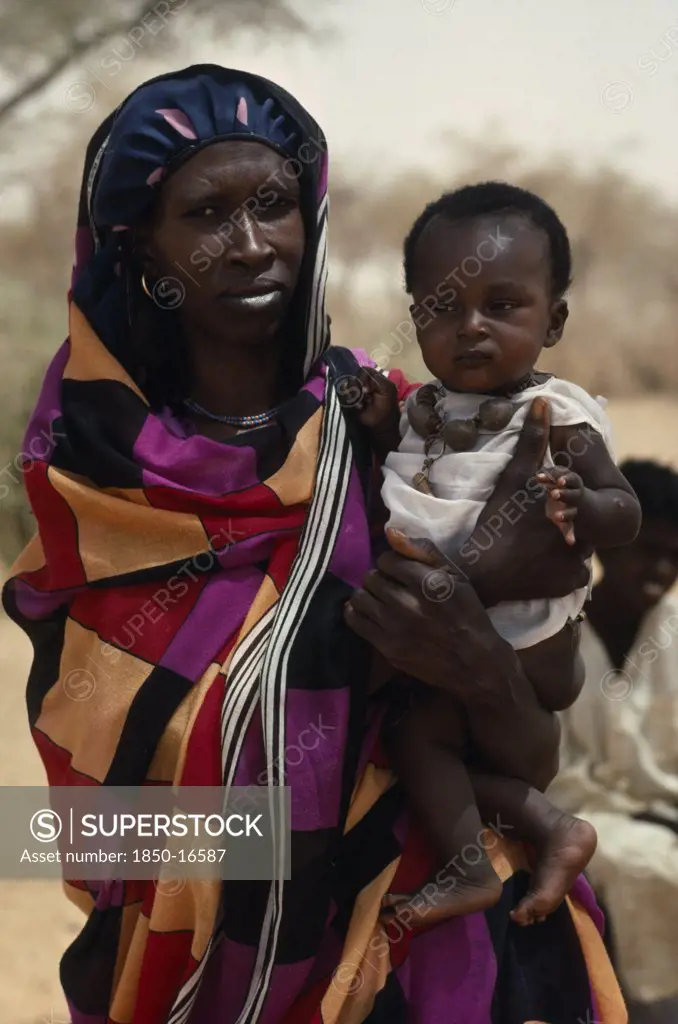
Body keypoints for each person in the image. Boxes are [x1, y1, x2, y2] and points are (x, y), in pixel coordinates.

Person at [1, 66, 627, 1024]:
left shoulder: (397, 431)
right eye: (207, 213)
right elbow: (87, 831)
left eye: (274, 205)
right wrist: (282, 826)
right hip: (204, 959)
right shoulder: (93, 482)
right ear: (142, 251)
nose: (251, 245)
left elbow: (533, 748)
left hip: (441, 950)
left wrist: (474, 666)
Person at [362, 182, 641, 928]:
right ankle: (552, 829)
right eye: (442, 308)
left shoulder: (557, 417)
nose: (471, 328)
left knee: (419, 732)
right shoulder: (426, 408)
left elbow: (626, 511)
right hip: (454, 630)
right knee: (424, 741)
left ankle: (470, 869)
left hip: (528, 643)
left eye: (503, 306)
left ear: (553, 321)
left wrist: (582, 507)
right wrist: (380, 423)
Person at [550, 458, 678, 1024]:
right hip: (580, 816)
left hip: (665, 812)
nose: (660, 572)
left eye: (675, 559)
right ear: (610, 546)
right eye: (649, 550)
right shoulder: (556, 630)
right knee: (642, 866)